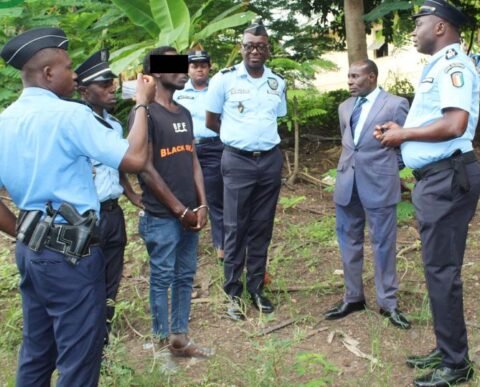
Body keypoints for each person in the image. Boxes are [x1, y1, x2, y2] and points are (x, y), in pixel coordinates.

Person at [0, 27, 154, 386]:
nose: (74, 74)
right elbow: (133, 157)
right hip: (72, 253)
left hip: (31, 247)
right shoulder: (70, 116)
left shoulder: (4, 121)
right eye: (69, 68)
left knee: (37, 352)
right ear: (49, 73)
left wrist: (27, 232)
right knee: (79, 358)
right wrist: (143, 103)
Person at [374, 1, 479, 385]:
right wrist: (402, 131)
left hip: (447, 179)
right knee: (438, 269)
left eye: (419, 23)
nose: (413, 30)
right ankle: (446, 347)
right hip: (437, 179)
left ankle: (456, 364)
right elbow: (436, 119)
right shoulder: (439, 66)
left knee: (442, 271)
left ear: (440, 27)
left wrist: (403, 134)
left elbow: (455, 123)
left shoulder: (454, 65)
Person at [130, 46, 212, 357]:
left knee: (185, 275)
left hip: (191, 214)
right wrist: (180, 211)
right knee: (161, 277)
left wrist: (202, 205)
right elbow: (145, 168)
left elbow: (192, 161)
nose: (184, 70)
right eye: (174, 66)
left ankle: (180, 337)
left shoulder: (185, 112)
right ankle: (161, 343)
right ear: (155, 74)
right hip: (163, 217)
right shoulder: (145, 114)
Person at [205, 21, 287, 320]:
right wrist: (237, 138)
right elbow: (212, 121)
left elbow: (277, 118)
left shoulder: (277, 82)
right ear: (242, 48)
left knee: (262, 226)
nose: (255, 50)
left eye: (261, 46)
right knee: (235, 227)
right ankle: (232, 293)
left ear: (268, 50)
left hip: (269, 160)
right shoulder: (223, 80)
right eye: (249, 45)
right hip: (237, 161)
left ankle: (255, 288)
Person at [324, 59, 411, 330]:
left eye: (355, 76)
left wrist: (390, 169)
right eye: (348, 76)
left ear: (371, 77)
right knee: (349, 242)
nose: (349, 81)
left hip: (380, 185)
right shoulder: (345, 107)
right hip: (348, 184)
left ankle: (388, 302)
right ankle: (353, 297)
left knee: (383, 244)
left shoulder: (395, 104)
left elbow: (406, 142)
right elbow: (350, 144)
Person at [75, 49, 144, 341]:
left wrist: (132, 195)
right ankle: (85, 334)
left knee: (111, 276)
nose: (111, 90)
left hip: (112, 212)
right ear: (83, 91)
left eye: (112, 84)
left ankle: (104, 332)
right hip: (85, 215)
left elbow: (118, 167)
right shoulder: (75, 124)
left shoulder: (114, 126)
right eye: (103, 85)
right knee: (85, 279)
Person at [174, 50, 225, 260]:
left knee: (215, 197)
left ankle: (221, 246)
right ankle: (184, 245)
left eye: (203, 65)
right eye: (194, 66)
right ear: (188, 69)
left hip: (214, 147)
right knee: (185, 196)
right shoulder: (178, 92)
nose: (199, 69)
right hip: (186, 149)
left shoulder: (218, 88)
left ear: (209, 66)